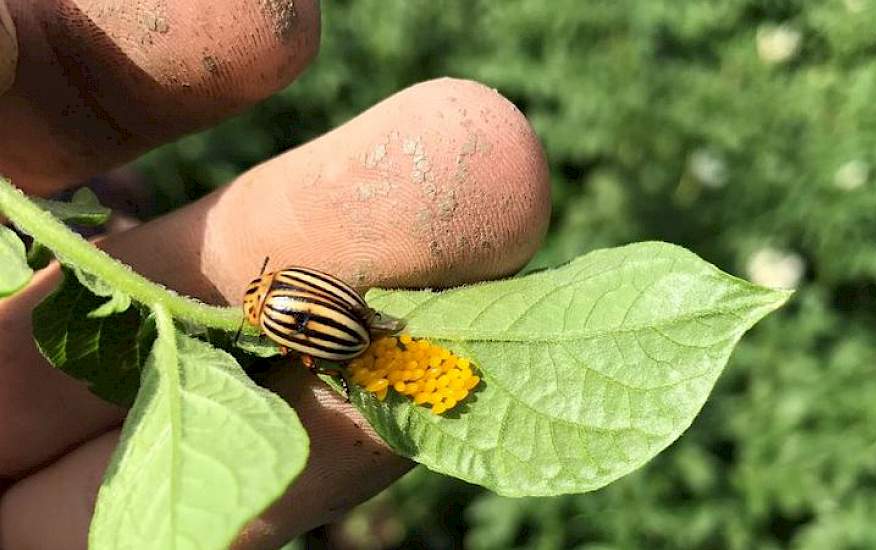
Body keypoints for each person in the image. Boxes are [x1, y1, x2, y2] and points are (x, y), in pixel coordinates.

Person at [0, 1, 550, 548]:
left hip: (337, 329)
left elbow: (314, 320)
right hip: (340, 325)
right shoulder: (285, 300)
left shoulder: (283, 310)